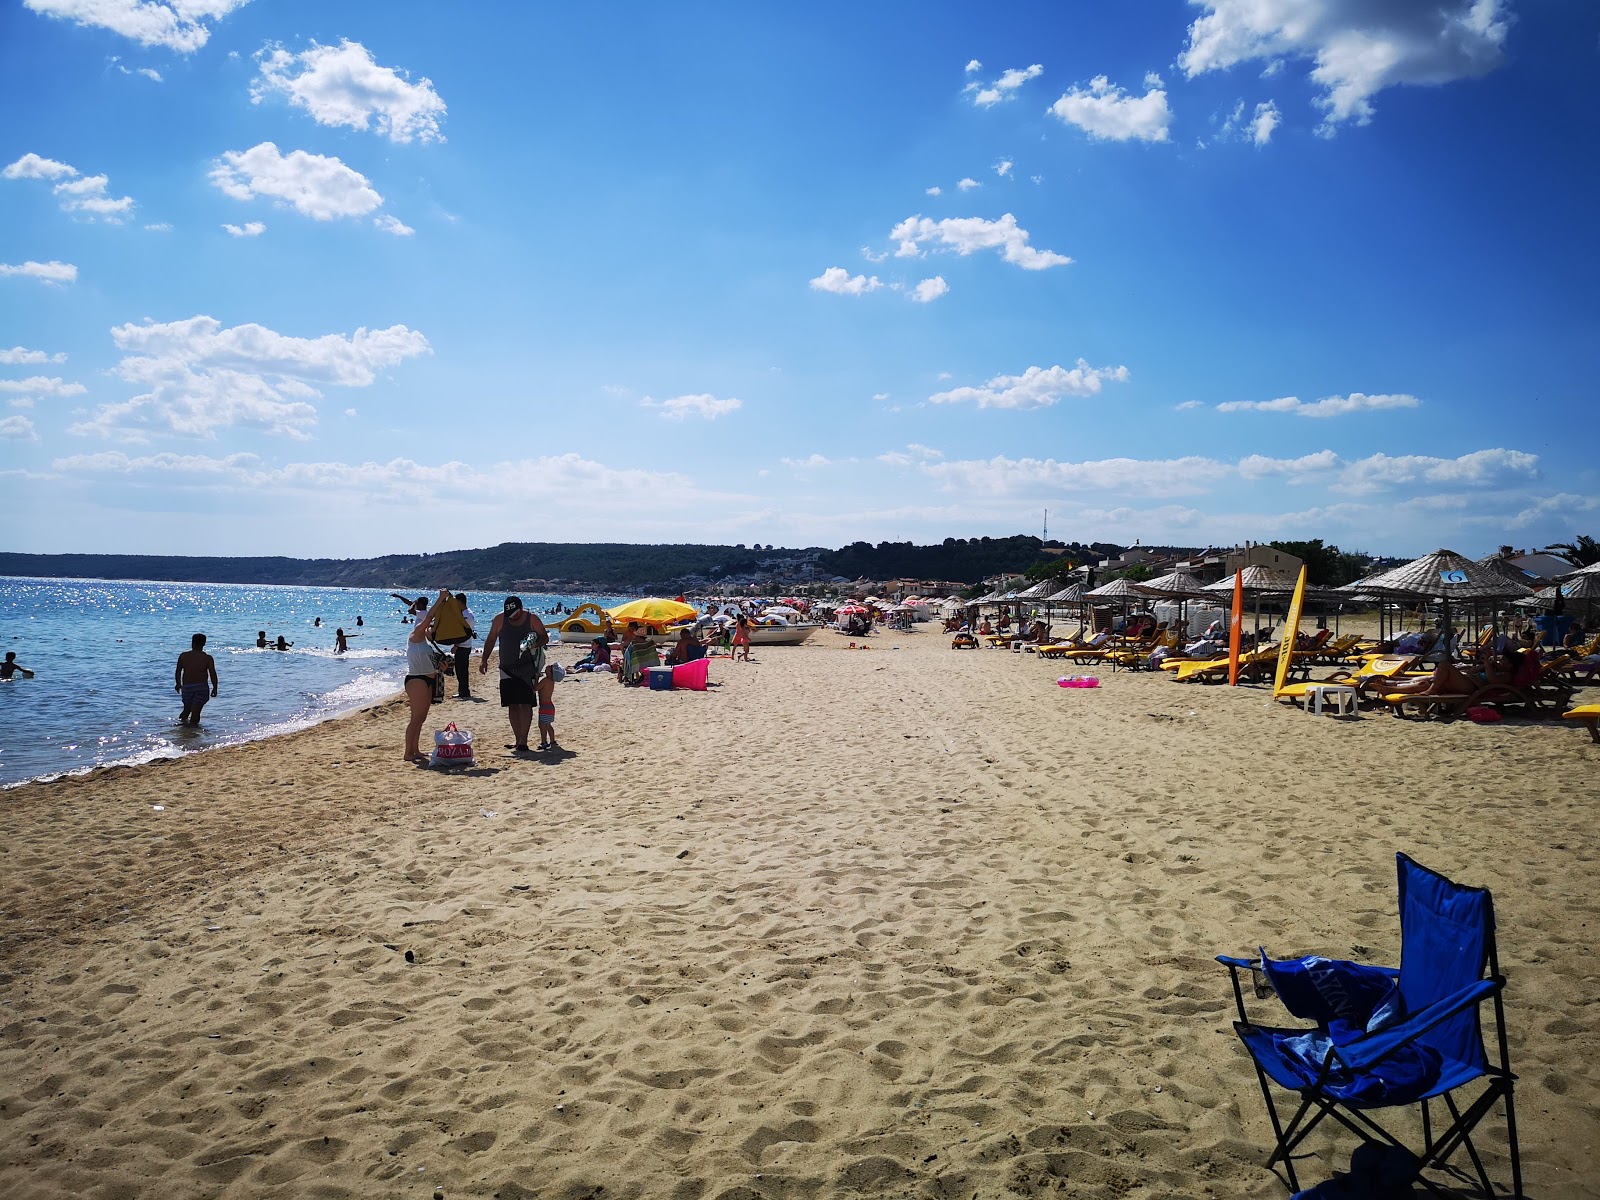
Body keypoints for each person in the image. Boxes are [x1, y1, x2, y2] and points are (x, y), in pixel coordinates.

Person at [477, 596, 548, 755]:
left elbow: (545, 636)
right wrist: (484, 660)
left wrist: (535, 643)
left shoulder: (532, 619)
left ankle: (524, 740)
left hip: (526, 668)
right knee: (512, 705)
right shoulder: (499, 620)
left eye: (516, 613)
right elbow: (490, 640)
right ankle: (517, 740)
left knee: (526, 704)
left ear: (521, 608)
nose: (513, 617)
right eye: (510, 614)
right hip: (506, 669)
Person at [402, 590, 448, 763]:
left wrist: (440, 669)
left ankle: (416, 750)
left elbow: (430, 665)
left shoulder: (426, 645)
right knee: (415, 718)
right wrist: (441, 599)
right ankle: (408, 752)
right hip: (417, 680)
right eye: (427, 627)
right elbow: (428, 618)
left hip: (428, 679)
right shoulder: (414, 637)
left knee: (421, 718)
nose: (429, 628)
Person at [174, 633, 218, 727]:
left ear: (192, 643)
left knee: (187, 710)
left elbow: (178, 671)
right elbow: (212, 674)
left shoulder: (184, 656)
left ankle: (182, 730)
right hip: (201, 687)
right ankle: (192, 733)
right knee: (196, 712)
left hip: (187, 687)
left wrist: (178, 684)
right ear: (204, 644)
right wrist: (215, 687)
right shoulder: (207, 658)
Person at [453, 593, 477, 700]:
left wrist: (456, 645)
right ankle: (462, 691)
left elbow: (464, 632)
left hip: (464, 646)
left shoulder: (467, 615)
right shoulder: (463, 613)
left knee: (462, 670)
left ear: (459, 602)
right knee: (459, 669)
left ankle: (464, 692)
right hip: (463, 645)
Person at [536, 662, 562, 752]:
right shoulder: (551, 681)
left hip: (545, 707)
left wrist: (536, 678)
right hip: (549, 706)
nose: (548, 667)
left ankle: (544, 742)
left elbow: (536, 688)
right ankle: (552, 740)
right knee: (548, 725)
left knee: (542, 725)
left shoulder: (545, 680)